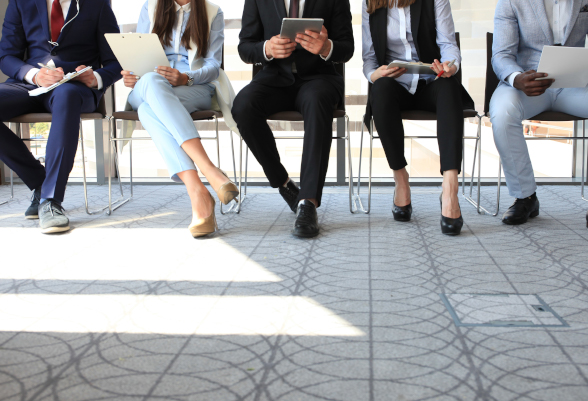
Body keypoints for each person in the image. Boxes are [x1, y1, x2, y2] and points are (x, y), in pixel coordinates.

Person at [232, 0, 354, 238]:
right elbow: (245, 47)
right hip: (274, 77)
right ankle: (284, 183)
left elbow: (346, 48)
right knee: (243, 106)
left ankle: (308, 202)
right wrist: (267, 48)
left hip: (319, 79)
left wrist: (326, 46)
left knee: (318, 101)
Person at [0, 0, 122, 234]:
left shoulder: (97, 4)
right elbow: (6, 56)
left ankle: (50, 200)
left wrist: (94, 77)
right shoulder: (20, 2)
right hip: (31, 84)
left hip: (75, 87)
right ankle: (39, 181)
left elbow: (115, 62)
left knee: (66, 95)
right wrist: (34, 75)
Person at [122, 0, 238, 238]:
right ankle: (209, 170)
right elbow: (137, 57)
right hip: (149, 86)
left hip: (193, 87)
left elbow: (214, 66)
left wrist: (186, 77)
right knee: (151, 82)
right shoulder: (150, 7)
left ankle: (198, 193)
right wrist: (132, 76)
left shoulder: (212, 12)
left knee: (148, 111)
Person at [362, 0, 474, 235]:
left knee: (449, 86)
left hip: (430, 81)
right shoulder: (370, 2)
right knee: (380, 89)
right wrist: (377, 73)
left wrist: (449, 65)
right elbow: (369, 58)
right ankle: (401, 180)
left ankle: (450, 188)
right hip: (395, 86)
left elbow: (448, 45)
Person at [490, 0, 588, 225]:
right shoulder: (510, 2)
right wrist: (517, 78)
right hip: (528, 82)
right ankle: (525, 197)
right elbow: (501, 55)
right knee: (503, 112)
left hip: (576, 84)